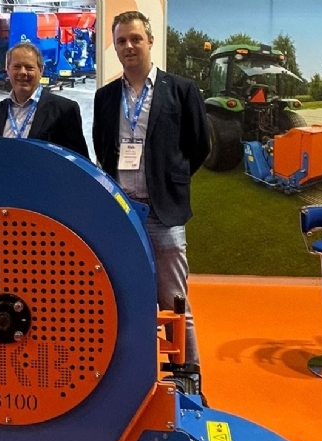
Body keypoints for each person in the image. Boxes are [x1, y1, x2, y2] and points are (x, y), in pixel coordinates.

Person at [92, 11, 210, 398]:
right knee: (123, 301)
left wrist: (169, 182)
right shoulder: (106, 97)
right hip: (123, 215)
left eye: (135, 39)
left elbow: (199, 146)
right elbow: (103, 148)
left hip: (164, 214)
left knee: (175, 304)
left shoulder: (181, 90)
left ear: (150, 41)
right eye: (121, 41)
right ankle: (133, 386)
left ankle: (189, 387)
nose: (128, 46)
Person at [0, 41, 89, 158]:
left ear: (41, 71)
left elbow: (79, 162)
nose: (22, 72)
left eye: (29, 67)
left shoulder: (64, 111)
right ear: (7, 70)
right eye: (16, 67)